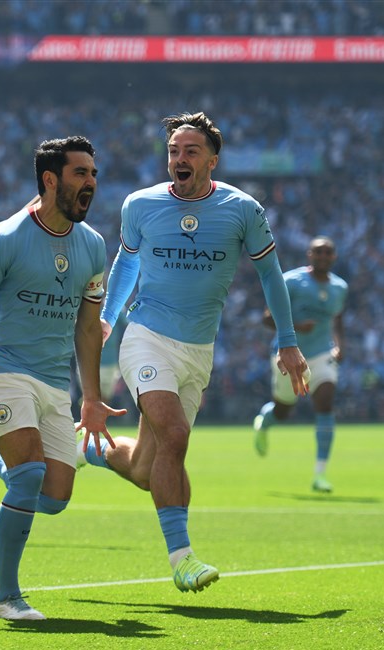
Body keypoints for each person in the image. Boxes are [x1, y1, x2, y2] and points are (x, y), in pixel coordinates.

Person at [87, 112, 309, 594]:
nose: (179, 159)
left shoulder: (242, 209)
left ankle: (85, 447)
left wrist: (287, 340)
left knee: (146, 468)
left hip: (198, 349)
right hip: (146, 336)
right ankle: (181, 559)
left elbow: (271, 275)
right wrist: (107, 317)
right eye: (173, 151)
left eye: (190, 151)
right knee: (175, 434)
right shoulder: (140, 204)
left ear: (212, 160)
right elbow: (125, 264)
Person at [0, 136, 124, 621]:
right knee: (29, 475)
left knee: (53, 498)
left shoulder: (93, 246)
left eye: (93, 174)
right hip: (2, 367)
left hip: (53, 380)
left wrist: (91, 397)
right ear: (51, 180)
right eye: (80, 173)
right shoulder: (7, 238)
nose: (91, 183)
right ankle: (6, 598)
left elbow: (88, 327)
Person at [253, 236, 347, 493]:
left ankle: (320, 474)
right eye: (318, 252)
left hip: (321, 354)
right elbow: (267, 319)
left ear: (334, 257)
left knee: (325, 402)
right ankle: (265, 422)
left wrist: (340, 345)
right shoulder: (291, 281)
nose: (323, 256)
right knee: (284, 410)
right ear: (309, 255)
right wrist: (296, 327)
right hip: (288, 354)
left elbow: (338, 319)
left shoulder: (340, 287)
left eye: (327, 252)